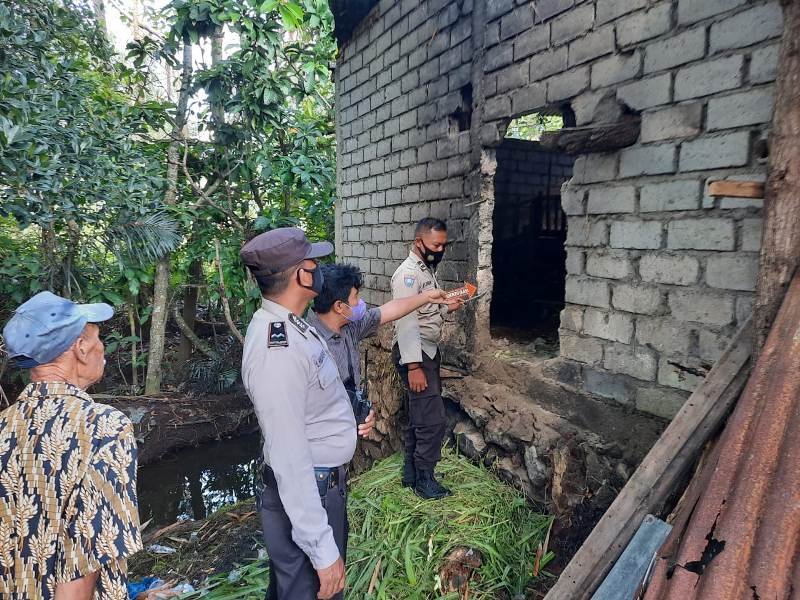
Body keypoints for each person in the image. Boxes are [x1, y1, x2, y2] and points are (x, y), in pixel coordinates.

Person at [239, 227, 366, 600]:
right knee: (312, 591)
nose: (319, 269)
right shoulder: (277, 348)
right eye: (314, 262)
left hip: (320, 487)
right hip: (311, 491)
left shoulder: (295, 328)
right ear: (301, 275)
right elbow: (289, 456)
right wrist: (322, 550)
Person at [0, 291, 141, 600]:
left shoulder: (4, 426)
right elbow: (87, 553)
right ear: (80, 348)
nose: (102, 349)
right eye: (98, 338)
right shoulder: (104, 427)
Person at [390, 218, 465, 500]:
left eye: (444, 245)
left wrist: (448, 308)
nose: (440, 249)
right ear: (419, 242)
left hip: (426, 350)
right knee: (432, 420)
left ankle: (411, 473)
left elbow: (427, 312)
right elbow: (405, 320)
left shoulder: (425, 269)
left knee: (419, 415)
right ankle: (425, 479)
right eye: (436, 244)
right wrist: (414, 367)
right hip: (416, 353)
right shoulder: (408, 274)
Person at [306, 263, 447, 410]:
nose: (361, 302)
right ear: (339, 306)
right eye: (356, 297)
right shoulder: (308, 344)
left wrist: (427, 296)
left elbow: (390, 310)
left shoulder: (351, 327)